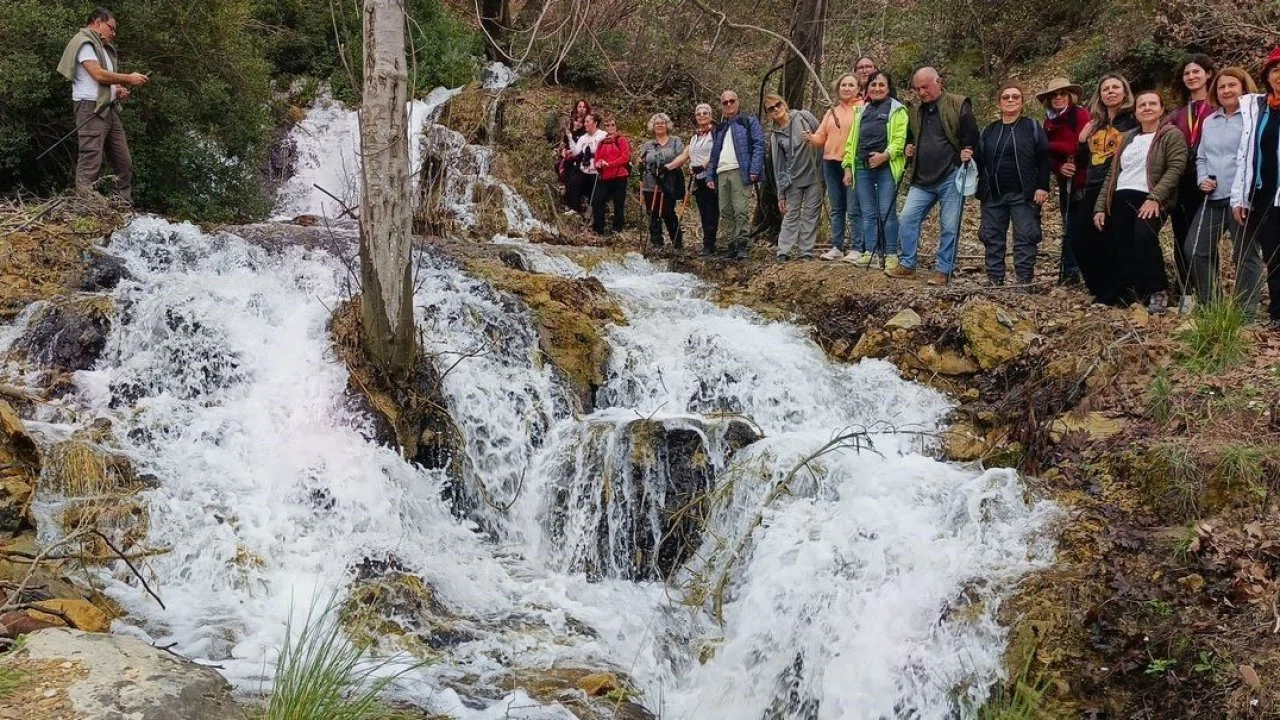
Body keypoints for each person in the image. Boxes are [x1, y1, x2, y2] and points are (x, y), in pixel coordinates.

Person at [1092, 90, 1187, 312]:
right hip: (1121, 196)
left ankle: (1158, 290)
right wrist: (1100, 206)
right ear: (1135, 112)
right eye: (1142, 105)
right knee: (1122, 244)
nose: (1147, 108)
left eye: (1152, 104)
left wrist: (1155, 198)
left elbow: (1176, 168)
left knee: (1145, 238)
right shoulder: (1128, 138)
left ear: (1162, 109)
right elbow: (1112, 174)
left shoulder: (1171, 135)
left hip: (1150, 197)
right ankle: (1136, 291)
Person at [889, 67, 979, 284]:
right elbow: (912, 138)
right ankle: (907, 264)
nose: (921, 92)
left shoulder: (958, 104)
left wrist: (966, 153)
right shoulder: (916, 111)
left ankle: (943, 270)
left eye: (925, 87)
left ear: (939, 82)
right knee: (907, 218)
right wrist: (910, 149)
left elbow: (972, 136)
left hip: (950, 175)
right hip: (922, 178)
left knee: (949, 225)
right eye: (917, 89)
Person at [56, 7, 149, 205]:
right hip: (90, 107)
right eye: (111, 28)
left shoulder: (102, 46)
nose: (113, 33)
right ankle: (84, 206)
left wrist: (117, 89)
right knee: (90, 160)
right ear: (97, 21)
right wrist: (129, 78)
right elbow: (97, 74)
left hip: (109, 108)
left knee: (123, 161)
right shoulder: (84, 42)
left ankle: (122, 204)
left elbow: (104, 80)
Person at [1187, 67, 1262, 313]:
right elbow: (1201, 158)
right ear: (1215, 92)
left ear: (1243, 88)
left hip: (1241, 198)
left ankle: (1245, 311)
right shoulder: (1210, 121)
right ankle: (1213, 305)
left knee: (1245, 254)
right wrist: (1202, 180)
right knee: (1195, 250)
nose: (1227, 90)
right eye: (1221, 87)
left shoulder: (1254, 117)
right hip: (1214, 197)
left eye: (1232, 85)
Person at [976, 83, 1051, 291]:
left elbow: (1045, 158)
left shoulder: (1032, 127)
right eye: (1006, 97)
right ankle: (994, 279)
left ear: (1022, 103)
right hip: (993, 193)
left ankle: (1024, 281)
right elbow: (979, 160)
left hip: (1024, 193)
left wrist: (1042, 186)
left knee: (1026, 235)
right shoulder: (989, 130)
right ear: (999, 103)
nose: (1010, 100)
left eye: (1015, 97)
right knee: (991, 236)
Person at [1073, 73, 1138, 303]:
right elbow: (1083, 161)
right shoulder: (1095, 124)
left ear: (1124, 92)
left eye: (1115, 87)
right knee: (1080, 238)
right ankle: (1099, 287)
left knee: (1113, 238)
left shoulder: (1133, 121)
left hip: (1119, 185)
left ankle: (1120, 291)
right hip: (1093, 185)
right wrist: (1081, 141)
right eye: (1105, 89)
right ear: (1100, 95)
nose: (1110, 92)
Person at [1231, 47, 1280, 328]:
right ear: (1267, 76)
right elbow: (1244, 154)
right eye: (1275, 70)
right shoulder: (1257, 108)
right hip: (1263, 194)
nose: (1279, 75)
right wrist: (1240, 197)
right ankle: (1277, 312)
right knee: (1274, 255)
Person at [1167, 54, 1219, 311]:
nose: (1191, 77)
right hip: (1181, 181)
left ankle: (1212, 292)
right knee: (1181, 236)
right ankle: (1187, 294)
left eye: (1196, 72)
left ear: (1208, 74)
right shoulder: (1177, 114)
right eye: (1187, 73)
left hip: (1211, 180)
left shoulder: (1219, 107)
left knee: (1204, 240)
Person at [843, 70, 908, 270]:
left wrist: (885, 156)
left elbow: (899, 139)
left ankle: (890, 254)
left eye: (881, 85)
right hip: (862, 167)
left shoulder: (897, 110)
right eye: (873, 85)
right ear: (867, 88)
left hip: (886, 167)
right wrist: (847, 166)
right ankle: (869, 251)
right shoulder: (861, 111)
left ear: (888, 88)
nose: (877, 88)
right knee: (868, 212)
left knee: (886, 213)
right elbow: (852, 142)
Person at [803, 73, 863, 261]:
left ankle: (856, 247)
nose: (846, 88)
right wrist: (810, 138)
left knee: (854, 207)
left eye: (851, 85)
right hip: (830, 162)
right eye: (843, 85)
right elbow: (821, 137)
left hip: (851, 163)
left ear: (858, 89)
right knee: (837, 207)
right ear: (838, 89)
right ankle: (837, 246)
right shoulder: (832, 111)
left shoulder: (862, 109)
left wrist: (850, 164)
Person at [1038, 77, 1091, 285]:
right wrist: (1058, 166)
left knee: (1083, 225)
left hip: (1084, 178)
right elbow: (1044, 152)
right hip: (1064, 179)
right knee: (1069, 224)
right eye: (1053, 95)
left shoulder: (1080, 114)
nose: (1058, 98)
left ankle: (1084, 268)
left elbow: (1081, 145)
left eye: (1062, 94)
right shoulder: (1049, 121)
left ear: (1070, 95)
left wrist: (1061, 152)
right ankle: (1070, 271)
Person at [707, 90, 765, 259]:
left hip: (740, 170)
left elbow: (759, 144)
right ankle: (731, 243)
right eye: (725, 102)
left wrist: (754, 169)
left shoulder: (748, 121)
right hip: (722, 172)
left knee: (740, 209)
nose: (729, 104)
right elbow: (714, 154)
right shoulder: (720, 128)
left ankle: (742, 243)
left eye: (732, 101)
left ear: (738, 102)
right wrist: (710, 175)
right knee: (725, 210)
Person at [766, 94, 821, 260]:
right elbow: (779, 165)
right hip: (793, 179)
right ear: (769, 113)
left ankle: (806, 251)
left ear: (784, 104)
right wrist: (781, 193)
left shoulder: (804, 117)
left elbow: (822, 135)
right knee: (791, 215)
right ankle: (784, 251)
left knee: (811, 214)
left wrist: (812, 139)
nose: (776, 109)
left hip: (815, 173)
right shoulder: (775, 135)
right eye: (771, 108)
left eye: (778, 104)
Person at [668, 103, 719, 254]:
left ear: (710, 115)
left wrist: (703, 165)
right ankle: (707, 243)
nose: (702, 116)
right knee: (703, 212)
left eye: (705, 113)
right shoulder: (695, 137)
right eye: (699, 114)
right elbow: (685, 156)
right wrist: (667, 167)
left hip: (711, 176)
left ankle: (710, 245)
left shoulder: (715, 133)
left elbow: (717, 152)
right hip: (698, 178)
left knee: (711, 211)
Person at [638, 113, 685, 248]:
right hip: (650, 183)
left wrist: (667, 167)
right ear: (652, 126)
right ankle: (656, 242)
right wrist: (640, 164)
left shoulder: (675, 141)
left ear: (667, 125)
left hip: (668, 183)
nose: (659, 125)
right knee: (652, 213)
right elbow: (641, 159)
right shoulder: (648, 145)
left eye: (662, 123)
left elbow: (681, 158)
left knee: (668, 212)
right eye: (656, 123)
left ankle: (677, 243)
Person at [590, 114, 630, 235]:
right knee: (597, 201)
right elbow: (597, 158)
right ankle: (599, 229)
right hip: (605, 176)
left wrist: (610, 164)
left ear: (616, 126)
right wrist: (599, 164)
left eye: (612, 124)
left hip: (619, 176)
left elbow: (625, 157)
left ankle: (617, 229)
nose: (610, 127)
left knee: (618, 203)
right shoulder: (602, 142)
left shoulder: (621, 140)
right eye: (607, 125)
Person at [564, 112, 606, 218]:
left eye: (588, 122)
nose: (585, 124)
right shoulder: (583, 138)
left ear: (595, 123)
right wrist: (570, 138)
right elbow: (576, 152)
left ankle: (593, 212)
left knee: (595, 192)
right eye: (585, 122)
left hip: (597, 170)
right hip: (585, 168)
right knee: (574, 182)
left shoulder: (602, 135)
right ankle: (575, 208)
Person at [559, 99, 591, 212]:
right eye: (579, 106)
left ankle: (576, 206)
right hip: (569, 159)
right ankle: (569, 203)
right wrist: (563, 151)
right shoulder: (571, 129)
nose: (582, 109)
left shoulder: (586, 131)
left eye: (584, 107)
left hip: (581, 160)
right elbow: (564, 144)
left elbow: (581, 148)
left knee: (575, 181)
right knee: (567, 176)